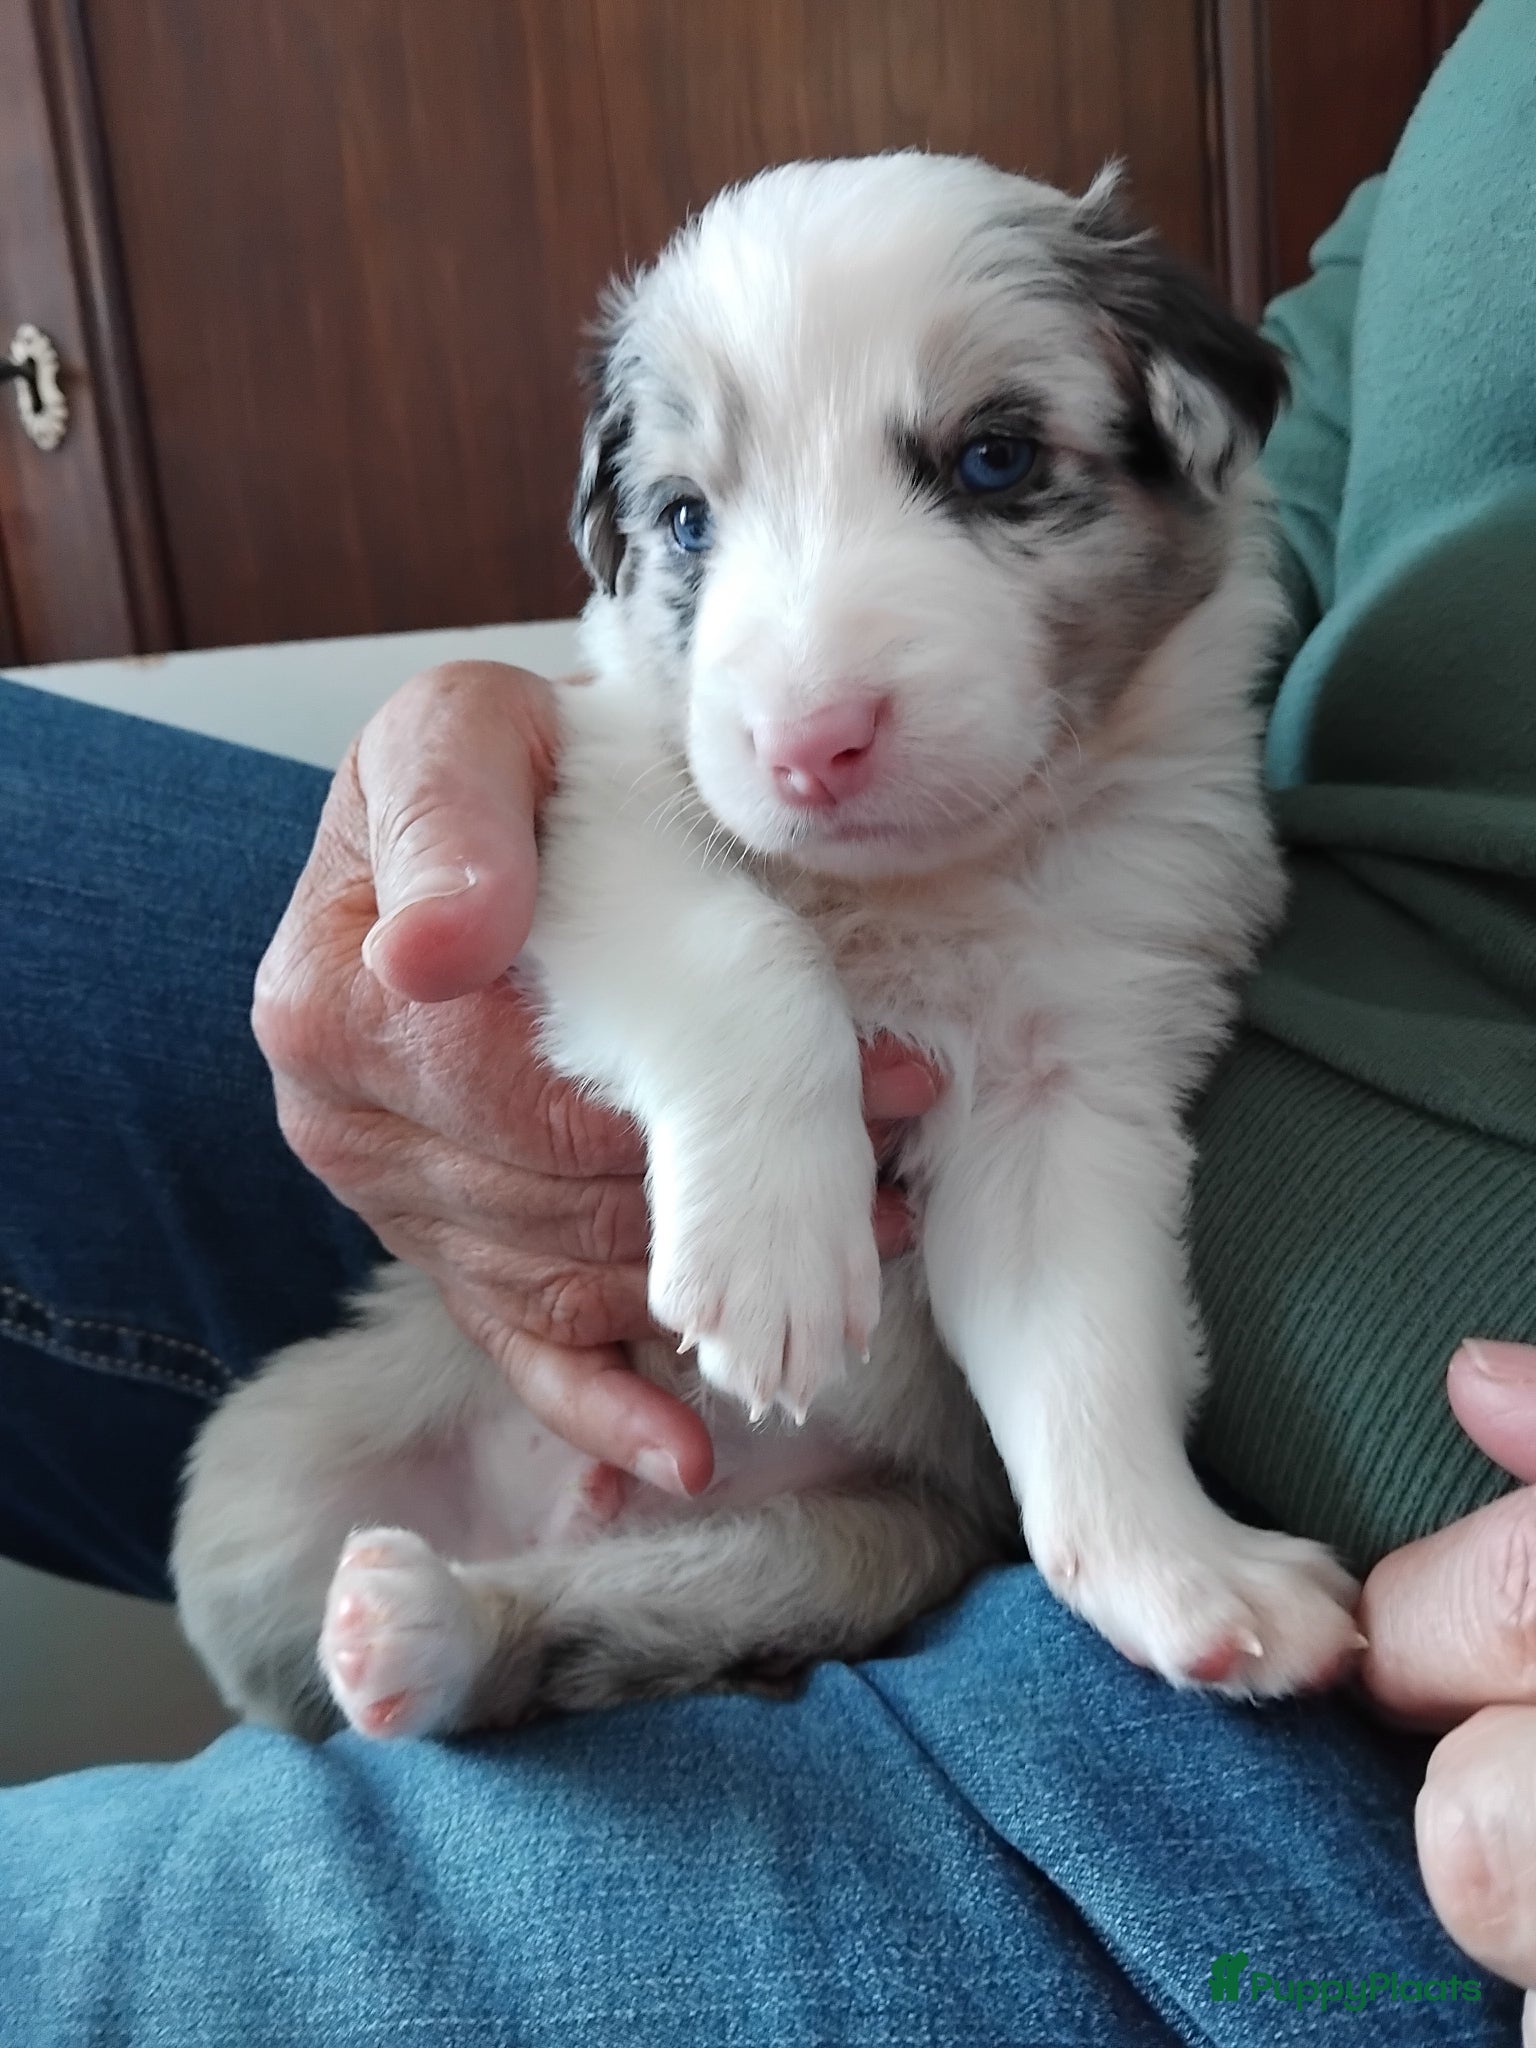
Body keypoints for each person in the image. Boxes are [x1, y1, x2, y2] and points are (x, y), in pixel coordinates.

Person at [1, 0, 1533, 2037]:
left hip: (1269, 1687)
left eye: (990, 466)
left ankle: (521, 1665)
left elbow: (1207, 516)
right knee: (259, 1504)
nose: (802, 699)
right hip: (638, 1304)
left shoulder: (1148, 795)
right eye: (695, 520)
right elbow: (1307, 467)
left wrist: (1115, 1516)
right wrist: (585, 850)